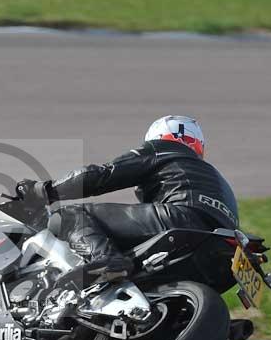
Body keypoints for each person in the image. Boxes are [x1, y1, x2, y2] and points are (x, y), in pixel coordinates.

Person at [17, 115, 239, 283]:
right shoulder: (216, 178)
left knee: (70, 215)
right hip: (222, 242)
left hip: (181, 218)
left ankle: (105, 259)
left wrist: (44, 191)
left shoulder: (162, 149)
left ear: (157, 137)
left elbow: (102, 175)